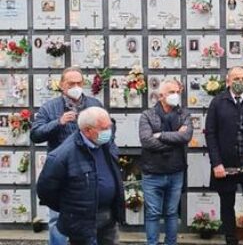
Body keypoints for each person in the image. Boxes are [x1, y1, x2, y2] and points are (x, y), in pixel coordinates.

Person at [31, 66, 103, 245]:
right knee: (57, 218)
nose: (76, 87)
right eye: (71, 83)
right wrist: (59, 122)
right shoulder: (49, 107)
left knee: (91, 218)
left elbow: (109, 129)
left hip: (89, 170)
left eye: (79, 83)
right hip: (62, 172)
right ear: (62, 85)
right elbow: (36, 134)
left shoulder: (94, 104)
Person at [37, 107, 124, 245]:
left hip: (109, 219)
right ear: (87, 130)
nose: (109, 131)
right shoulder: (62, 155)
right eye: (104, 128)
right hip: (81, 223)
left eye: (110, 127)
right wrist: (71, 209)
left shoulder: (106, 145)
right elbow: (45, 192)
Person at [205, 66, 243, 245]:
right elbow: (210, 134)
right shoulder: (217, 102)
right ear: (228, 81)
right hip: (225, 166)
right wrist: (216, 163)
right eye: (236, 79)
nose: (240, 82)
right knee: (227, 206)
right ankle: (231, 241)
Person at [139, 79, 193, 245]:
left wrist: (161, 135)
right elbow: (147, 141)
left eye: (177, 92)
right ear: (161, 95)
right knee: (153, 213)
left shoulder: (184, 114)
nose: (175, 95)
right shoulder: (147, 115)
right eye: (171, 92)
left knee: (171, 213)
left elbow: (186, 136)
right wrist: (174, 140)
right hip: (152, 172)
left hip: (175, 171)